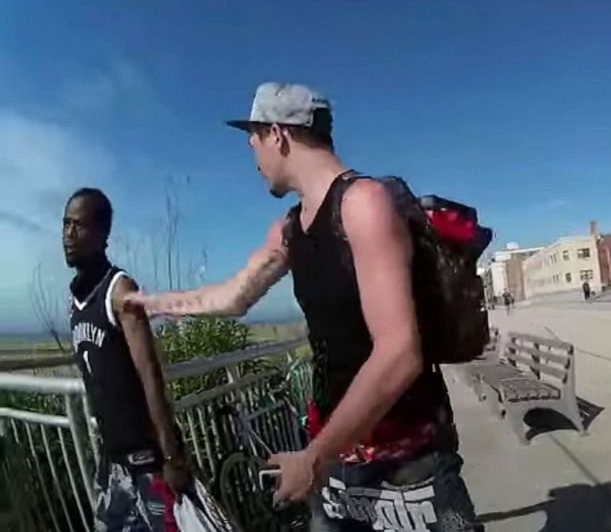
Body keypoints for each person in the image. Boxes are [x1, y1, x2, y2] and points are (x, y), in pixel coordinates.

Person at [124, 82, 482, 531]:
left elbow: (399, 352)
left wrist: (313, 456)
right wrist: (152, 303)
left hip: (408, 462)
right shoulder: (290, 230)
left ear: (278, 134)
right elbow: (236, 295)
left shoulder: (363, 204)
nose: (251, 153)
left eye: (252, 138)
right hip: (338, 460)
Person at [63, 188, 191, 532]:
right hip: (112, 461)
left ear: (102, 234)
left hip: (147, 462)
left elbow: (150, 375)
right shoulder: (75, 300)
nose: (69, 235)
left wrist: (171, 456)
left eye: (79, 226)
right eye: (65, 225)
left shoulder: (119, 291)